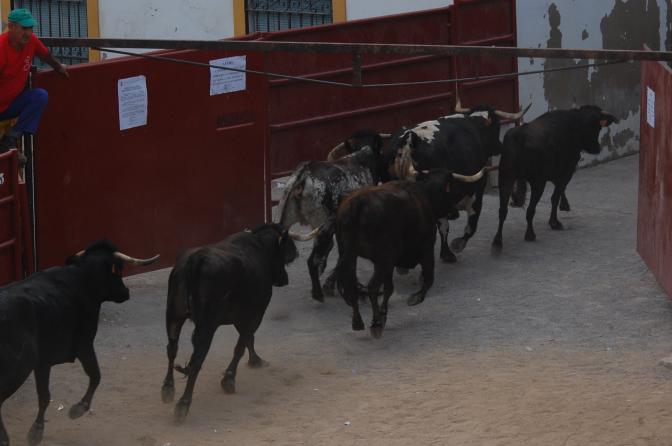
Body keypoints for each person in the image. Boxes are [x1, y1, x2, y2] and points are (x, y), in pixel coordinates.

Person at [0, 8, 68, 155]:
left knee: (40, 96)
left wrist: (58, 67)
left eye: (31, 28)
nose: (29, 33)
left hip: (10, 104)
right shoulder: (1, 47)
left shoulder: (32, 41)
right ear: (11, 27)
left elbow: (46, 55)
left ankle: (10, 139)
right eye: (24, 28)